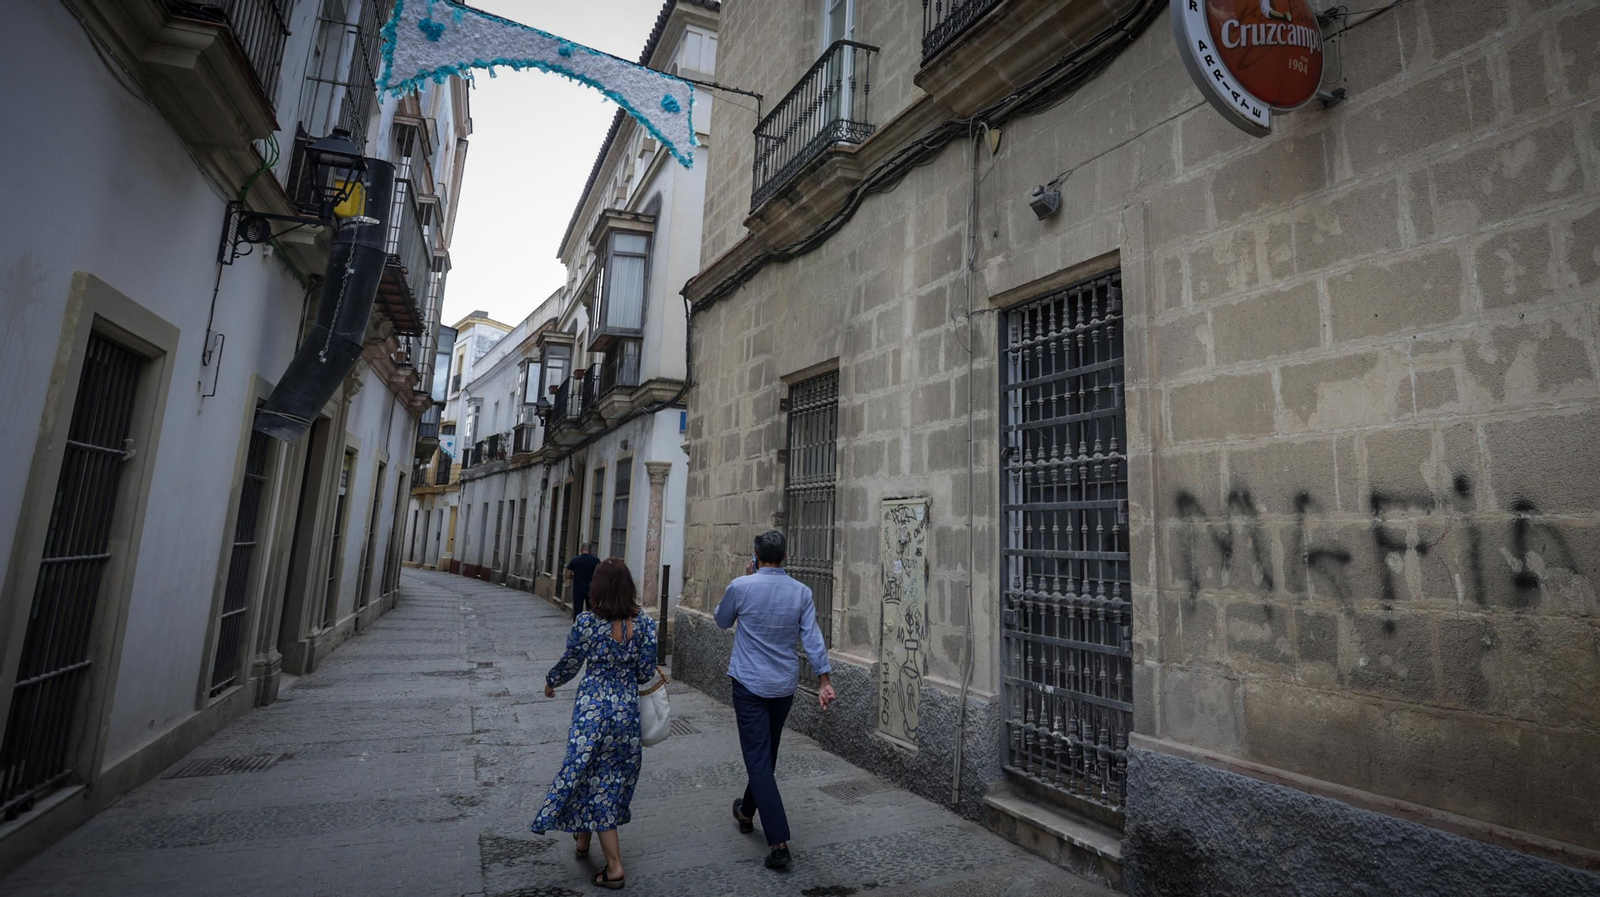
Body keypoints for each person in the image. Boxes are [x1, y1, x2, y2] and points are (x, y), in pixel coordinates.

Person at [531, 558, 658, 891]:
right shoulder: (643, 624)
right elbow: (646, 672)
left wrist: (551, 681)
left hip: (592, 710)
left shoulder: (586, 622)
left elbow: (572, 662)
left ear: (597, 587)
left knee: (588, 772)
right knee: (607, 776)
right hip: (625, 713)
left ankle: (614, 866)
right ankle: (583, 841)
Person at [714, 530, 836, 871]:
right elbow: (812, 637)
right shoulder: (801, 592)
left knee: (758, 758)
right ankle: (746, 811)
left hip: (750, 684)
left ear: (755, 555)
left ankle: (779, 841)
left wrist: (743, 582)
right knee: (766, 754)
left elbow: (721, 621)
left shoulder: (741, 586)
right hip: (783, 686)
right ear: (784, 558)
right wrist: (824, 679)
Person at [565, 542, 601, 618]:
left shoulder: (575, 560)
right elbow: (599, 574)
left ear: (580, 550)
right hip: (591, 589)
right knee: (591, 610)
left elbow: (567, 575)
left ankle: (577, 626)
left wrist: (575, 576)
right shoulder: (596, 560)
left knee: (577, 610)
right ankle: (589, 626)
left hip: (578, 589)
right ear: (591, 550)